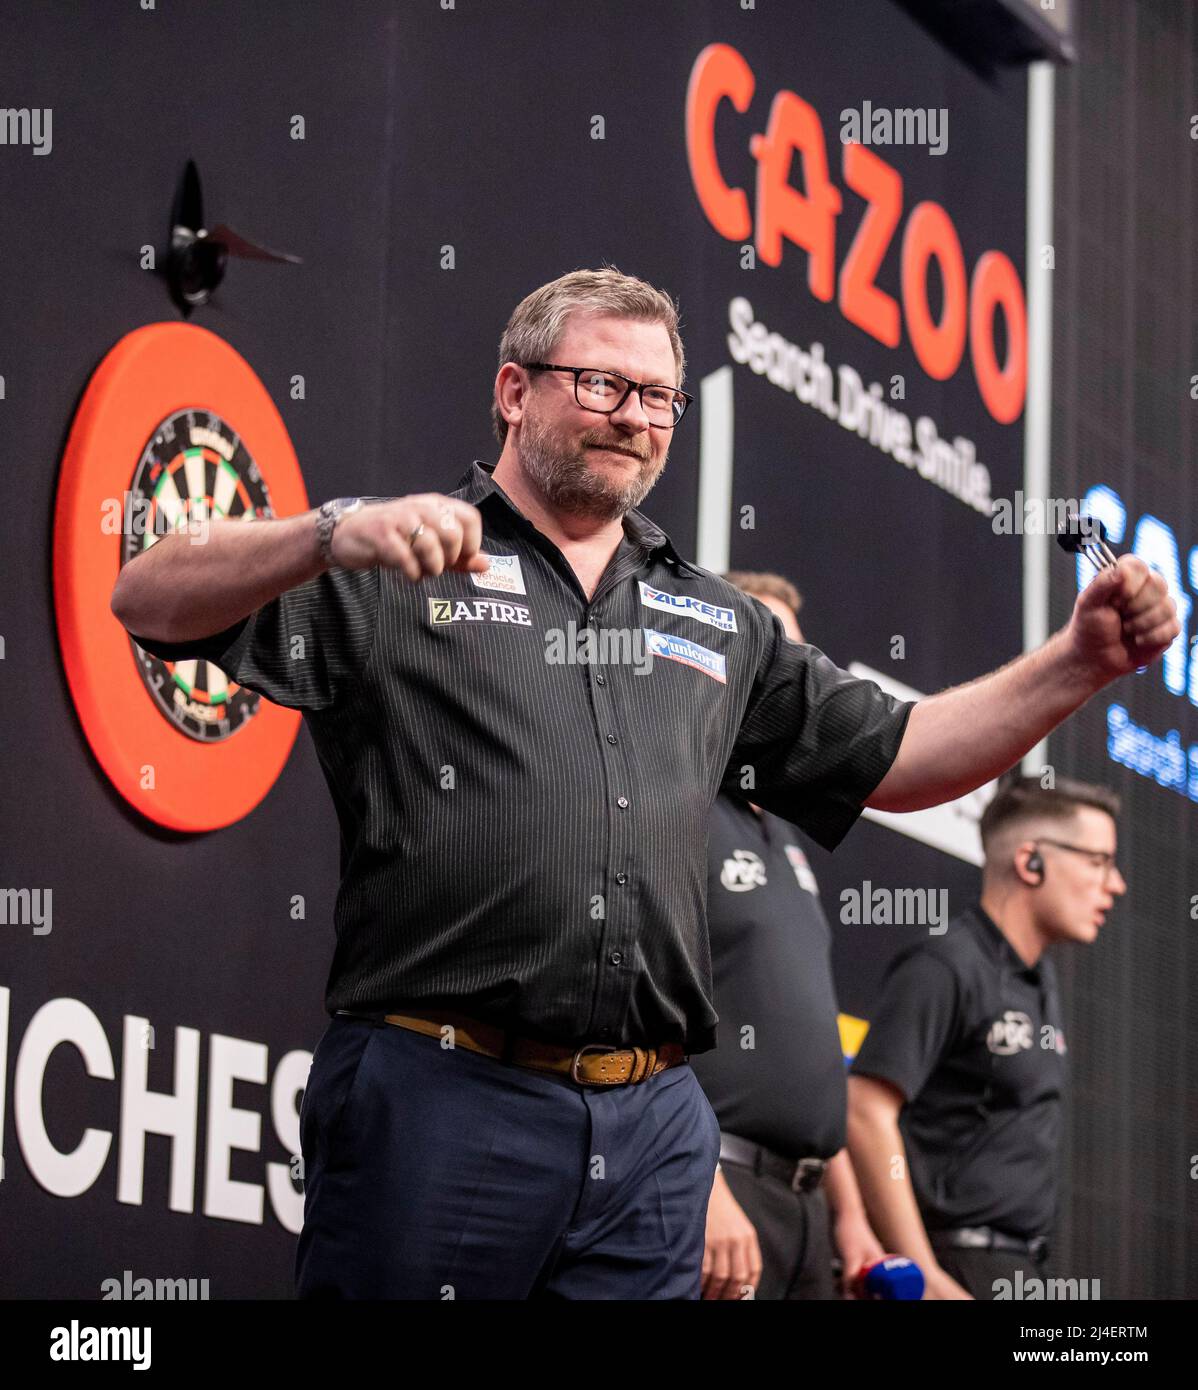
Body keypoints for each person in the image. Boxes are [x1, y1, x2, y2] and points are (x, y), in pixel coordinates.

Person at [109, 265, 1177, 1299]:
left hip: (654, 1126)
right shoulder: (395, 559)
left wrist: (1076, 663)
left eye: (659, 395)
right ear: (513, 390)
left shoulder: (717, 621)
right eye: (603, 384)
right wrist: (326, 534)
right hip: (442, 1092)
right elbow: (146, 598)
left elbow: (900, 759)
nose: (634, 415)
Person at [846, 774, 1126, 1300]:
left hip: (1022, 1270)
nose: (1116, 884)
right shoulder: (945, 965)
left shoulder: (1040, 979)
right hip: (956, 1263)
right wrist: (925, 1275)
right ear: (1031, 862)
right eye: (1099, 862)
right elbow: (864, 1109)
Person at [694, 572, 887, 1301]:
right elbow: (622, 1006)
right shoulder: (673, 806)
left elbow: (810, 1053)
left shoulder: (789, 835)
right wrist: (699, 1179)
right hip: (713, 1187)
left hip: (806, 1211)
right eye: (770, 656)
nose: (792, 684)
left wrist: (851, 1218)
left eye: (799, 665)